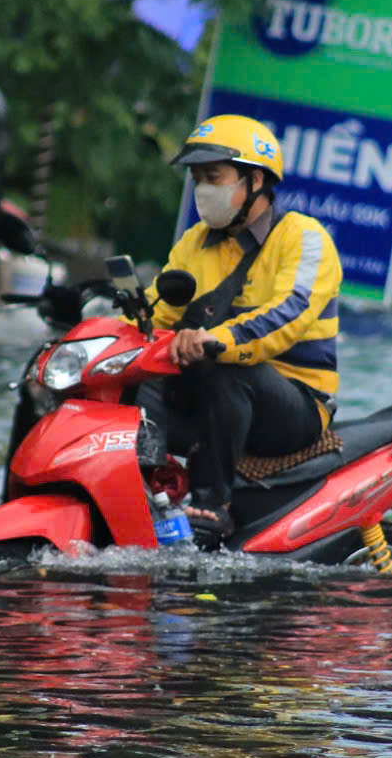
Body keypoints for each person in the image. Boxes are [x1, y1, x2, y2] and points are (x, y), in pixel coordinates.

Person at [139, 114, 343, 542]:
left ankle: (212, 505)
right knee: (127, 383)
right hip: (212, 394)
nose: (203, 189)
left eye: (213, 176)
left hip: (295, 403)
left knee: (228, 368)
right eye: (197, 178)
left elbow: (289, 312)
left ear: (254, 180)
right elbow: (155, 313)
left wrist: (218, 340)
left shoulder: (303, 237)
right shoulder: (195, 242)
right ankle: (145, 494)